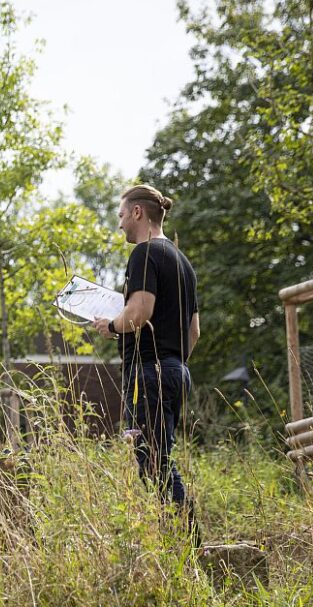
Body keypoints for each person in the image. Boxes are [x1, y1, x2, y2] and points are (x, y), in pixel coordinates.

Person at [93, 184, 200, 534]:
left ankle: (188, 541)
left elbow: (138, 311)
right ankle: (178, 536)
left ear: (137, 213)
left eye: (122, 216)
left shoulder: (144, 253)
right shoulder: (183, 262)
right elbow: (193, 332)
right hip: (176, 370)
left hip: (149, 372)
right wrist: (170, 362)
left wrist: (111, 324)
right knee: (160, 457)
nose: (120, 224)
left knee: (154, 462)